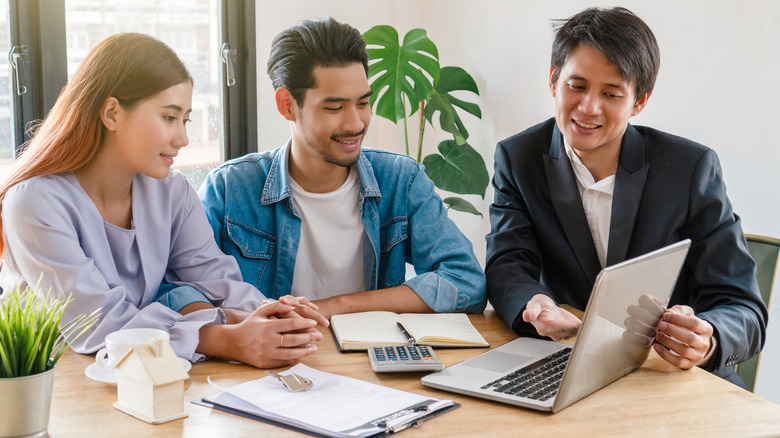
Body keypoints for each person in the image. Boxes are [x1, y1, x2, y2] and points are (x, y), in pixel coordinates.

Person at [0, 33, 327, 369]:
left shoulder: (171, 192)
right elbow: (98, 326)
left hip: (145, 374)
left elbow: (214, 279)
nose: (183, 138)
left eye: (185, 120)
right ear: (112, 113)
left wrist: (273, 310)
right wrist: (227, 340)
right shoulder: (33, 203)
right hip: (58, 385)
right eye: (169, 117)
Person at [485, 7, 766, 386]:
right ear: (554, 81)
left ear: (640, 101)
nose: (588, 108)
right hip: (570, 370)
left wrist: (709, 337)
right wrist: (535, 304)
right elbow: (508, 263)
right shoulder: (518, 159)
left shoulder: (690, 168)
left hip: (670, 379)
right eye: (577, 85)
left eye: (611, 93)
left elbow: (743, 306)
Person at [166, 17, 485, 319]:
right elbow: (175, 292)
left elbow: (467, 282)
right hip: (267, 365)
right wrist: (256, 326)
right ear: (286, 105)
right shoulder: (231, 188)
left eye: (362, 103)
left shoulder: (401, 180)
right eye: (335, 107)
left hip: (369, 365)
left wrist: (337, 306)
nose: (356, 123)